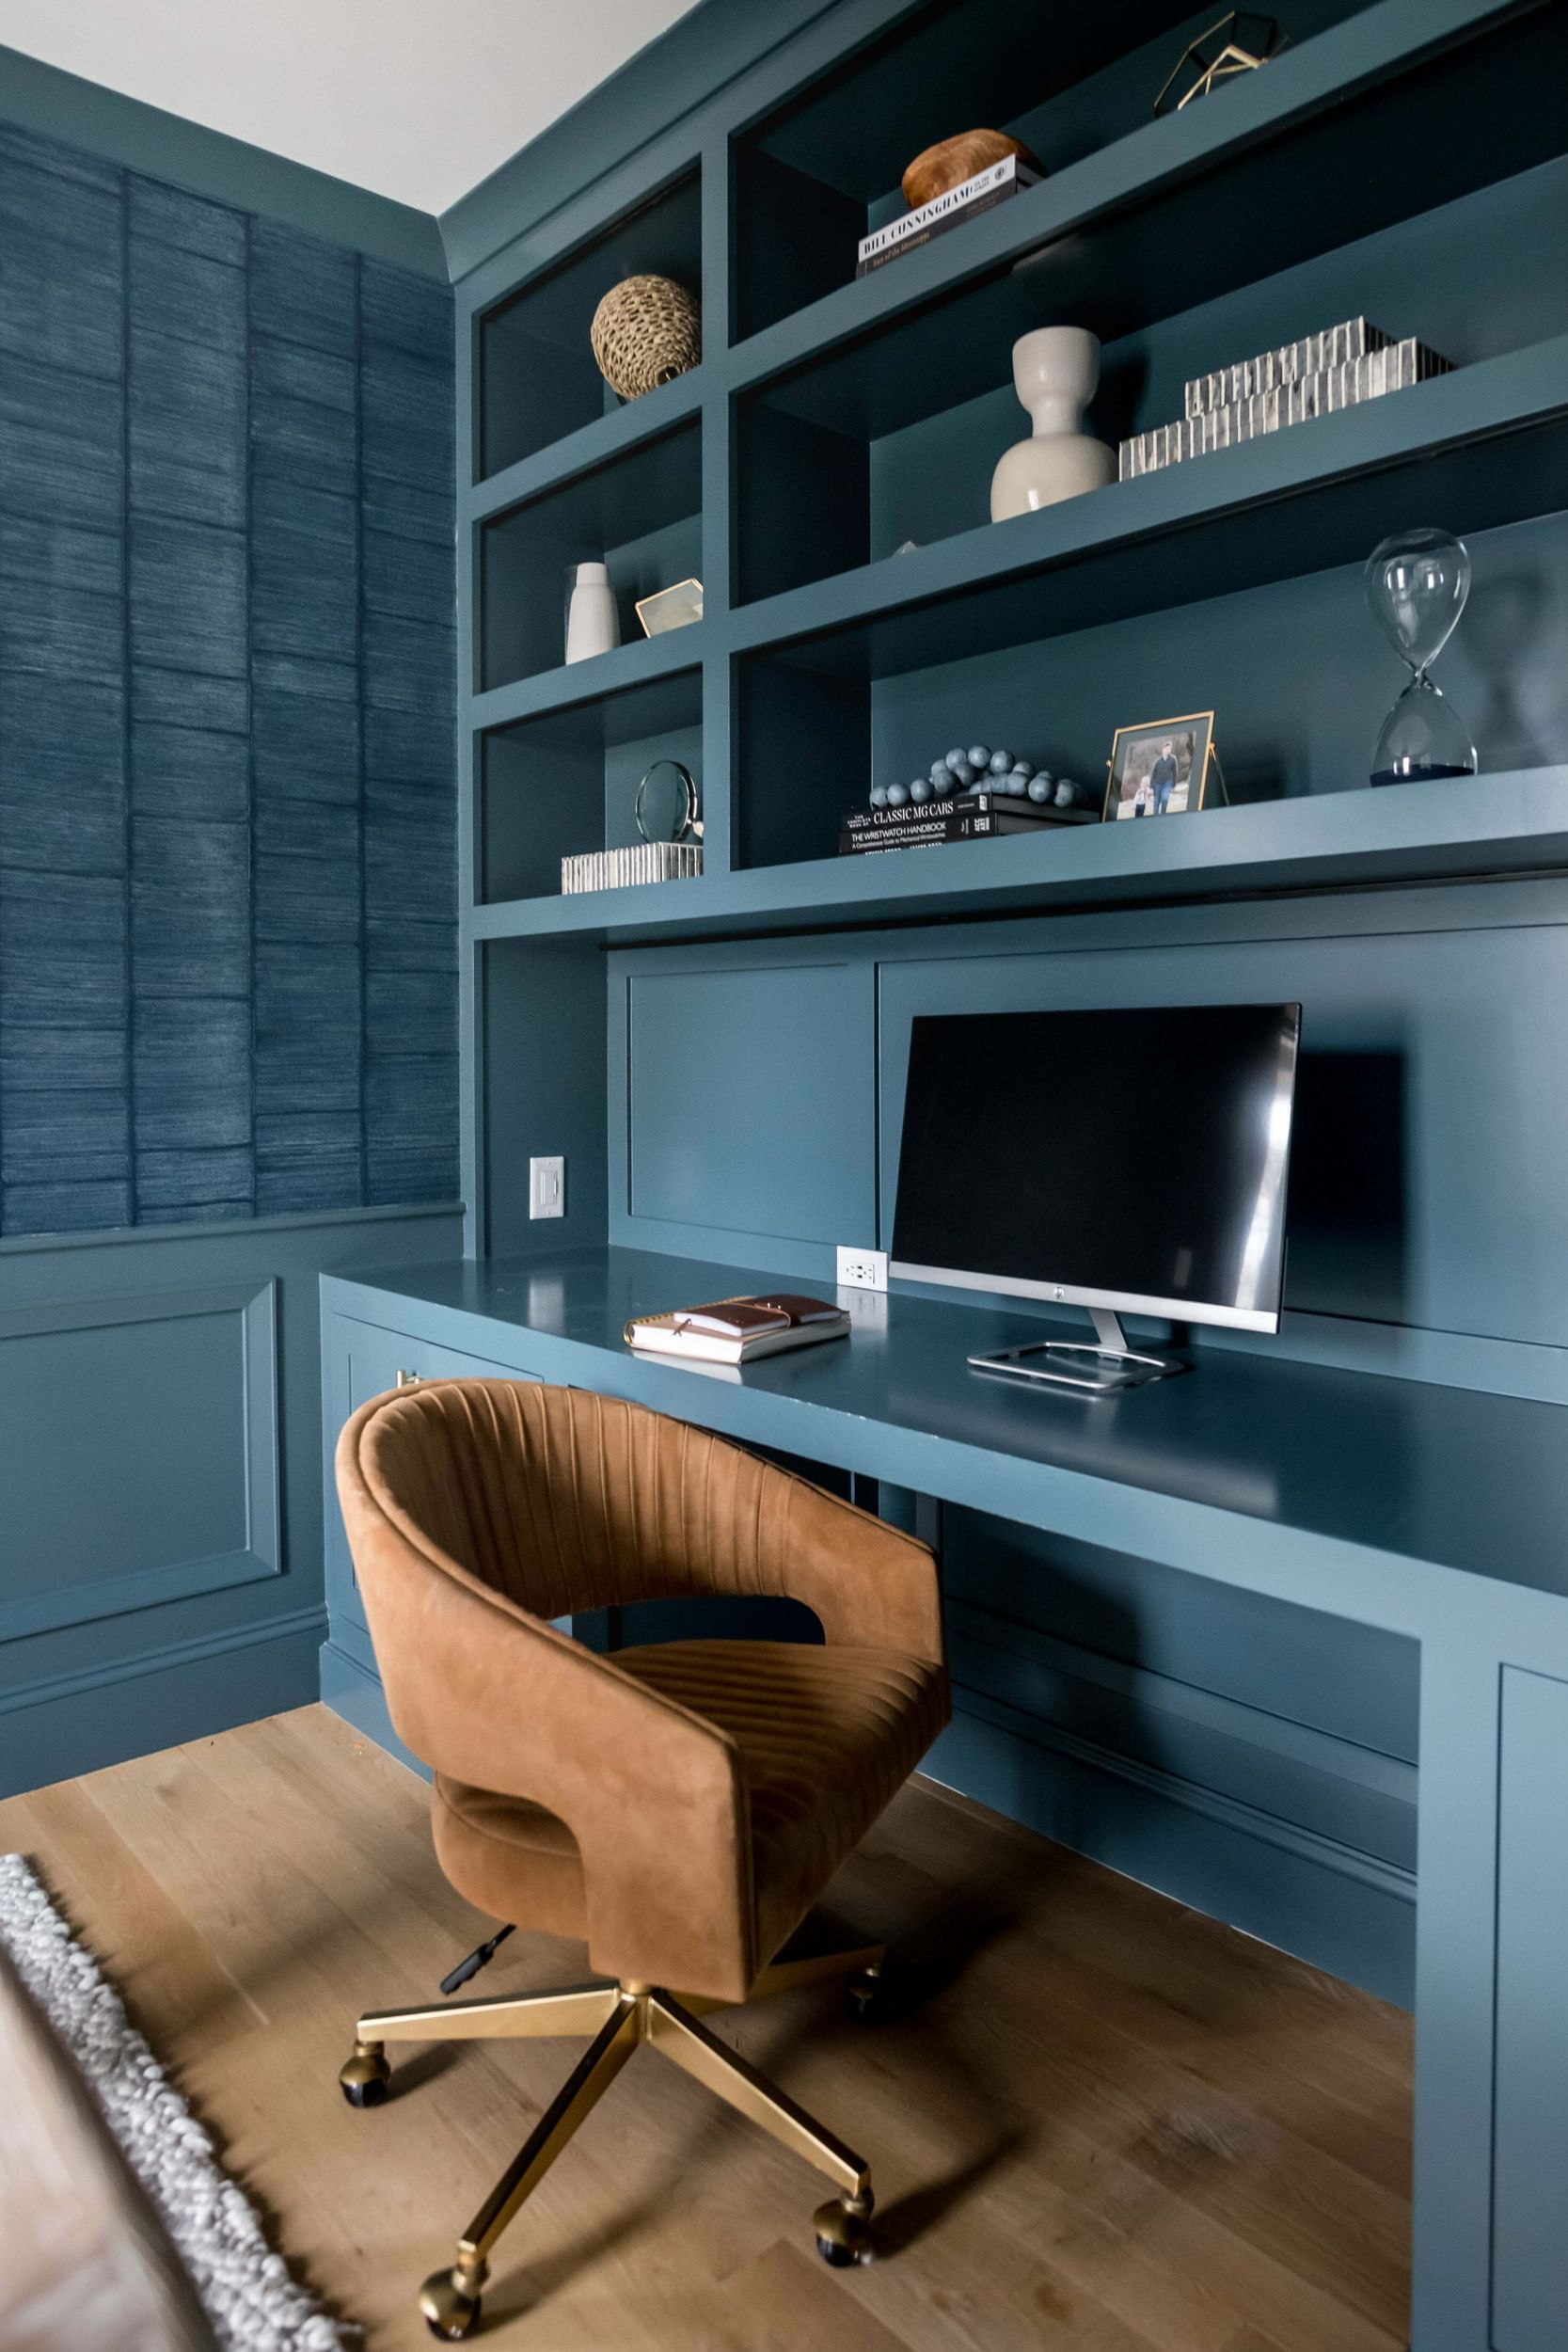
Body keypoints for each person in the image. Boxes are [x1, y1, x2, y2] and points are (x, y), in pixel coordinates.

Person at [1148, 739, 1180, 816]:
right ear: (1163, 749)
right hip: (1157, 783)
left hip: (1167, 782)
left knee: (1165, 799)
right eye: (1166, 748)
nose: (1168, 750)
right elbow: (1153, 773)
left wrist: (1174, 784)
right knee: (1156, 802)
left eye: (1169, 748)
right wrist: (1151, 785)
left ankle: (1163, 816)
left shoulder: (1173, 759)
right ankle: (1155, 817)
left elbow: (1175, 772)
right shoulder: (1158, 761)